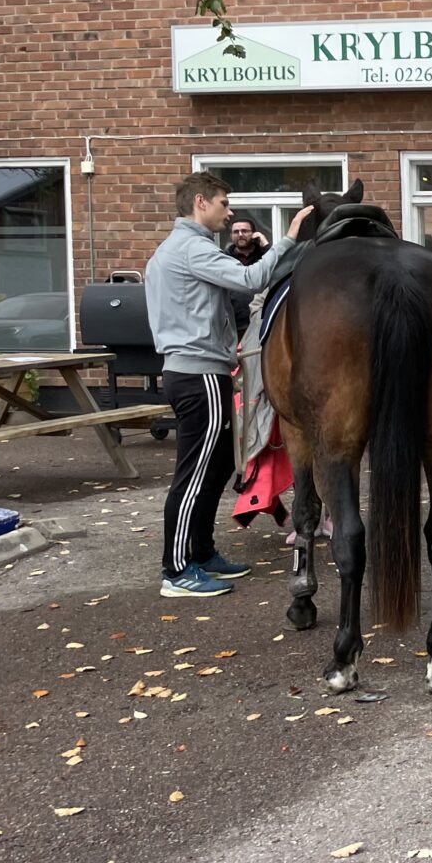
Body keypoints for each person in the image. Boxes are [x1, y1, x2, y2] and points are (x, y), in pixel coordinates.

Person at [145, 173, 311, 597]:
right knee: (196, 472)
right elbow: (251, 280)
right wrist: (289, 239)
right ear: (200, 202)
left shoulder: (179, 249)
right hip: (198, 374)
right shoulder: (191, 248)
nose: (229, 210)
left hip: (198, 371)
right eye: (223, 202)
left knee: (217, 464)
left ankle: (201, 552)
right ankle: (177, 571)